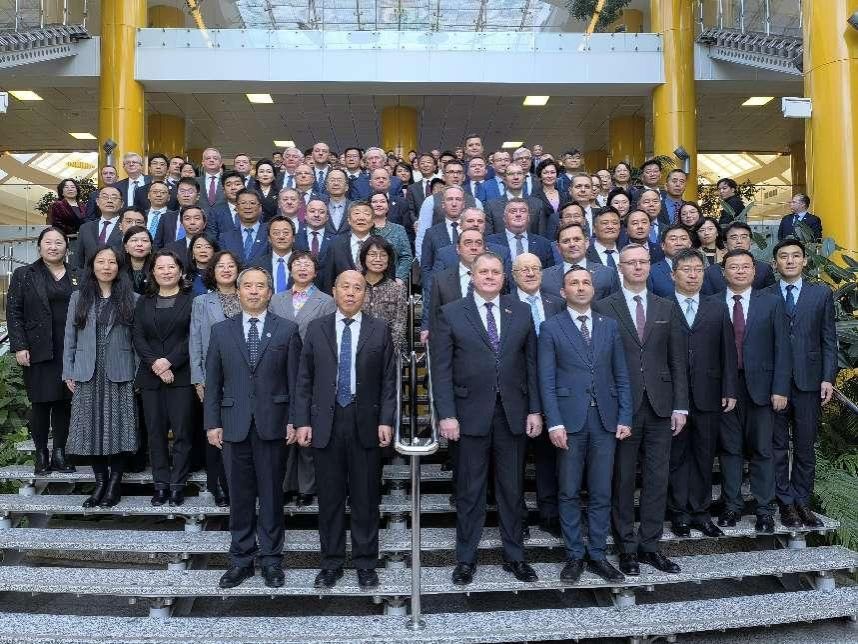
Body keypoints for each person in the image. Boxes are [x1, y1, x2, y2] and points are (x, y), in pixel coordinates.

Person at [431, 252, 542, 587]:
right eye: (484, 271)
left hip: (512, 414)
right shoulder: (451, 312)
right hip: (468, 416)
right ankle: (466, 559)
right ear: (473, 277)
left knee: (512, 490)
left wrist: (535, 409)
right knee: (470, 491)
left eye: (496, 272)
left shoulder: (521, 311)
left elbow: (531, 364)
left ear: (504, 277)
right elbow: (441, 369)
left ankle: (515, 556)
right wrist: (447, 414)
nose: (490, 276)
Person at [295, 270, 397, 591]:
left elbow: (389, 381)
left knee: (366, 498)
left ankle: (366, 563)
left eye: (358, 288)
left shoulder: (379, 329)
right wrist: (302, 421)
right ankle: (331, 563)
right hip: (326, 422)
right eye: (345, 287)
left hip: (365, 421)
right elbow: (304, 379)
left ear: (365, 294)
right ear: (334, 291)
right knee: (330, 498)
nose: (351, 293)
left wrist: (386, 420)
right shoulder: (317, 328)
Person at [593, 243, 688, 576]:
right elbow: (600, 362)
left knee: (657, 478)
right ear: (619, 268)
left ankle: (651, 546)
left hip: (661, 406)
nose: (637, 267)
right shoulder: (603, 307)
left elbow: (677, 360)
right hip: (623, 408)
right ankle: (626, 548)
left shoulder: (666, 306)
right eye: (630, 262)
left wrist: (680, 406)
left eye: (642, 262)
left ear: (650, 265)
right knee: (622, 478)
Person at [204, 266, 302, 589]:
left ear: (270, 292)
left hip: (273, 424)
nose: (254, 291)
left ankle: (272, 560)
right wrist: (212, 423)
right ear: (239, 291)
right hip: (233, 425)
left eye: (261, 286)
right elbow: (213, 382)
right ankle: (241, 559)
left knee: (272, 495)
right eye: (248, 286)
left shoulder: (287, 330)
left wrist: (295, 419)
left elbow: (296, 382)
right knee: (239, 496)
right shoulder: (221, 331)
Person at [539, 265, 632, 583]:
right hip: (569, 421)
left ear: (593, 289)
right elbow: (546, 380)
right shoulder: (551, 327)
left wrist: (625, 415)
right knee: (568, 490)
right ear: (562, 292)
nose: (580, 287)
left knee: (602, 490)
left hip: (605, 420)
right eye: (574, 283)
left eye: (586, 283)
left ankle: (598, 555)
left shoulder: (609, 325)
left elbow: (621, 375)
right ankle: (574, 555)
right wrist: (553, 422)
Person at [716, 249, 791, 533]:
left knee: (762, 450)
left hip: (762, 389)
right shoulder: (712, 303)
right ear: (724, 272)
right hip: (724, 388)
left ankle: (764, 511)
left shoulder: (771, 303)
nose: (740, 271)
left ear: (755, 271)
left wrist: (780, 388)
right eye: (734, 267)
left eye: (745, 266)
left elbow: (782, 348)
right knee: (729, 449)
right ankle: (732, 506)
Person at [668, 248, 738, 538]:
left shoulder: (717, 307)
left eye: (698, 269)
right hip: (673, 397)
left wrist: (730, 389)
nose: (693, 275)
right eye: (686, 270)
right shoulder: (663, 306)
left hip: (709, 393)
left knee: (704, 455)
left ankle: (701, 513)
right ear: (673, 274)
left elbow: (728, 351)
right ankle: (679, 514)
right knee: (676, 457)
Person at [767, 239, 837, 528]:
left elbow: (828, 339)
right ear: (775, 263)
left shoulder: (821, 294)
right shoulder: (765, 295)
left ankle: (802, 502)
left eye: (796, 256)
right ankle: (785, 503)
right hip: (775, 384)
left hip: (809, 382)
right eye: (784, 256)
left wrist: (828, 378)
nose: (790, 261)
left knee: (806, 447)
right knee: (777, 447)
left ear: (805, 260)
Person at [63, 246, 138, 508]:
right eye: (101, 261)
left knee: (119, 429)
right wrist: (68, 371)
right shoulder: (78, 297)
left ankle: (114, 485)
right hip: (87, 371)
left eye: (112, 262)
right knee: (90, 429)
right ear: (92, 266)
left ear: (119, 267)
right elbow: (70, 338)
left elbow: (138, 341)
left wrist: (137, 374)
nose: (106, 266)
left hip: (120, 371)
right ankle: (100, 483)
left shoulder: (132, 298)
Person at [269, 251, 337, 507]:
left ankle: (307, 486)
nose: (302, 268)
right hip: (280, 369)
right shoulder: (276, 299)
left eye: (308, 264)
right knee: (283, 427)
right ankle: (286, 484)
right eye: (297, 263)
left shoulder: (327, 301)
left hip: (313, 368)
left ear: (316, 271)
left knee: (307, 425)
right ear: (289, 269)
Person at [7, 228, 76, 474]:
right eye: (48, 242)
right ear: (39, 247)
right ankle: (41, 454)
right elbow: (14, 311)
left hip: (69, 348)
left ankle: (60, 453)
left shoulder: (77, 274)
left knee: (64, 402)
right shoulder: (24, 274)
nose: (53, 247)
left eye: (59, 243)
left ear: (67, 247)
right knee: (40, 403)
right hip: (37, 347)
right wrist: (20, 345)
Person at [133, 250, 195, 507]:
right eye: (161, 267)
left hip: (182, 375)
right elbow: (138, 336)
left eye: (171, 267)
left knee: (182, 432)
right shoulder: (143, 302)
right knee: (155, 432)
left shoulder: (193, 301)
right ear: (153, 272)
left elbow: (193, 337)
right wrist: (156, 364)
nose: (166, 271)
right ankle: (160, 484)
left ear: (180, 271)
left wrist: (169, 361)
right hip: (150, 377)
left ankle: (178, 484)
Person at [511, 252, 565, 537]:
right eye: (524, 269)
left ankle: (549, 514)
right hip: (516, 392)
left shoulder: (557, 303)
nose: (530, 273)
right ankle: (517, 517)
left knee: (549, 457)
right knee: (514, 460)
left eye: (535, 268)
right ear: (513, 275)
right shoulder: (504, 304)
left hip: (553, 391)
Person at [189, 250, 243, 507]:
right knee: (214, 429)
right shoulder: (202, 302)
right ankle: (218, 485)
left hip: (242, 376)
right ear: (213, 271)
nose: (226, 269)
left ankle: (239, 483)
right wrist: (198, 379)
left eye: (231, 265)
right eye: (221, 265)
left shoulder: (248, 296)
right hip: (213, 376)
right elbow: (195, 342)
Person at [541, 222, 620, 303]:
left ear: (587, 243)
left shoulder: (607, 274)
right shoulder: (544, 277)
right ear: (558, 248)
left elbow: (615, 305)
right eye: (566, 241)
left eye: (577, 239)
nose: (572, 244)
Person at [359, 236, 408, 354]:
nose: (378, 259)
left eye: (383, 255)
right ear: (364, 257)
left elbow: (399, 325)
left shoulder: (397, 289)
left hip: (387, 350)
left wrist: (387, 352)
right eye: (372, 254)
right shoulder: (355, 285)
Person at [701, 221, 776, 294]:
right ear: (725, 244)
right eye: (734, 237)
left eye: (744, 237)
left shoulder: (764, 269)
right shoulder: (710, 272)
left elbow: (771, 298)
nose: (739, 241)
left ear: (750, 242)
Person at [486, 198, 555, 268]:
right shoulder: (490, 242)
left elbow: (550, 271)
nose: (518, 214)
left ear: (528, 217)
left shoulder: (544, 244)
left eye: (523, 211)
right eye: (513, 211)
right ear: (504, 218)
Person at [323, 202, 375, 293]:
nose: (361, 218)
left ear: (373, 221)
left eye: (366, 214)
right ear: (349, 220)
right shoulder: (336, 245)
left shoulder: (381, 245)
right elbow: (328, 278)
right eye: (356, 213)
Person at [75, 186, 124, 270]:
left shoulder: (127, 227)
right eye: (105, 197)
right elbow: (78, 260)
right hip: (88, 276)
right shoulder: (85, 228)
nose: (109, 200)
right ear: (97, 202)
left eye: (114, 197)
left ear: (122, 204)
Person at [368, 192, 412, 283]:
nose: (378, 205)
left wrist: (399, 278)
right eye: (374, 202)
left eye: (382, 201)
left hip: (393, 280)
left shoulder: (398, 229)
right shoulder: (364, 229)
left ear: (388, 206)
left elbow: (406, 257)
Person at [218, 189, 270, 265]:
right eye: (243, 203)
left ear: (260, 207)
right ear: (236, 208)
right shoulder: (225, 238)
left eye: (252, 203)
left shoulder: (271, 232)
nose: (248, 207)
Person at [647, 224, 693, 298]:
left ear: (690, 244)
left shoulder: (701, 269)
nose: (679, 243)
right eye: (673, 239)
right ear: (663, 245)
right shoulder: (651, 272)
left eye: (683, 239)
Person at [122, 225, 153, 294]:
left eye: (144, 240)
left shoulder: (157, 268)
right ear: (126, 247)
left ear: (151, 246)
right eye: (134, 240)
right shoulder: (119, 267)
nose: (139, 244)